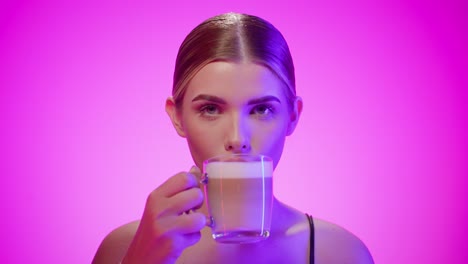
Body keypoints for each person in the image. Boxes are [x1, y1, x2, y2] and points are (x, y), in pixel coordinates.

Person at [92, 12, 374, 264]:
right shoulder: (122, 250)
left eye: (261, 109)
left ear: (292, 116)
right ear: (176, 116)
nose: (237, 139)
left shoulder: (340, 253)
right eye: (210, 109)